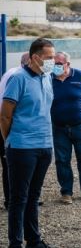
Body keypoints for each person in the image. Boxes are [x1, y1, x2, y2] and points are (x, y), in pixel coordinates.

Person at [1, 39, 55, 248]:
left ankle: (33, 240)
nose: (53, 61)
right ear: (35, 57)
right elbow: (5, 116)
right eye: (49, 57)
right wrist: (10, 142)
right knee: (19, 199)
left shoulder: (47, 77)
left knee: (34, 196)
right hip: (22, 147)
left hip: (44, 145)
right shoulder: (17, 79)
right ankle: (15, 243)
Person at [50, 51, 81, 205]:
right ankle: (66, 192)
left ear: (67, 64)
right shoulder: (48, 79)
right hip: (59, 127)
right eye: (53, 64)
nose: (55, 67)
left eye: (58, 64)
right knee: (62, 160)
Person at [0, 52, 29, 211]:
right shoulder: (18, 76)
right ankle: (13, 201)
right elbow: (8, 109)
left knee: (10, 165)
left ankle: (14, 199)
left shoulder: (10, 72)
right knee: (13, 165)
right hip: (9, 124)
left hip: (7, 123)